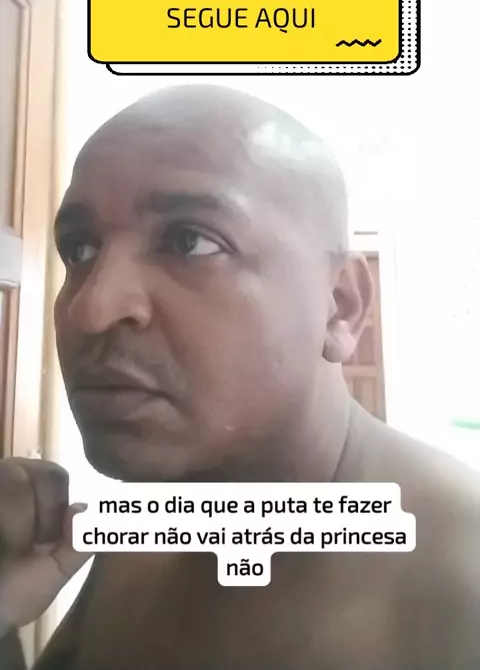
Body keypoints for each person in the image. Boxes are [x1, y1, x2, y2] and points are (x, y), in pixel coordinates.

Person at [0, 85, 479, 670]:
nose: (90, 309)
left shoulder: (462, 588)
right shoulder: (161, 514)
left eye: (189, 242)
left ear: (340, 305)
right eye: (79, 250)